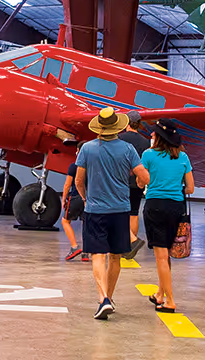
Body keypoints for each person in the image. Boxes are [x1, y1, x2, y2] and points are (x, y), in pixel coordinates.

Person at [74, 107, 148, 321]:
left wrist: (86, 197)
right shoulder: (127, 149)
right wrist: (142, 183)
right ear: (117, 127)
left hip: (95, 210)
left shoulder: (87, 149)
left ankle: (103, 298)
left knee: (98, 255)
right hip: (121, 210)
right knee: (115, 257)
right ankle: (110, 298)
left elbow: (79, 180)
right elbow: (143, 175)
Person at [139, 121, 195, 313]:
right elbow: (190, 188)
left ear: (157, 137)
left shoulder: (148, 155)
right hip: (176, 208)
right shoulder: (183, 157)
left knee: (161, 257)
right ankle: (160, 294)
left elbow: (140, 182)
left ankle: (170, 301)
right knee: (166, 255)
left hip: (155, 206)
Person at [118, 121, 150, 258]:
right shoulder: (146, 142)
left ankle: (128, 242)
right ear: (139, 125)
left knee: (119, 213)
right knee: (134, 213)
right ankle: (132, 244)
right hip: (138, 181)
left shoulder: (120, 139)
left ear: (127, 124)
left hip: (121, 180)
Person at [61, 182, 88, 261]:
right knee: (85, 223)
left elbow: (67, 185)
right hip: (88, 199)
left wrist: (63, 200)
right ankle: (86, 252)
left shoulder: (73, 168)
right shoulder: (92, 168)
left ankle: (74, 247)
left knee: (65, 221)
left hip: (75, 197)